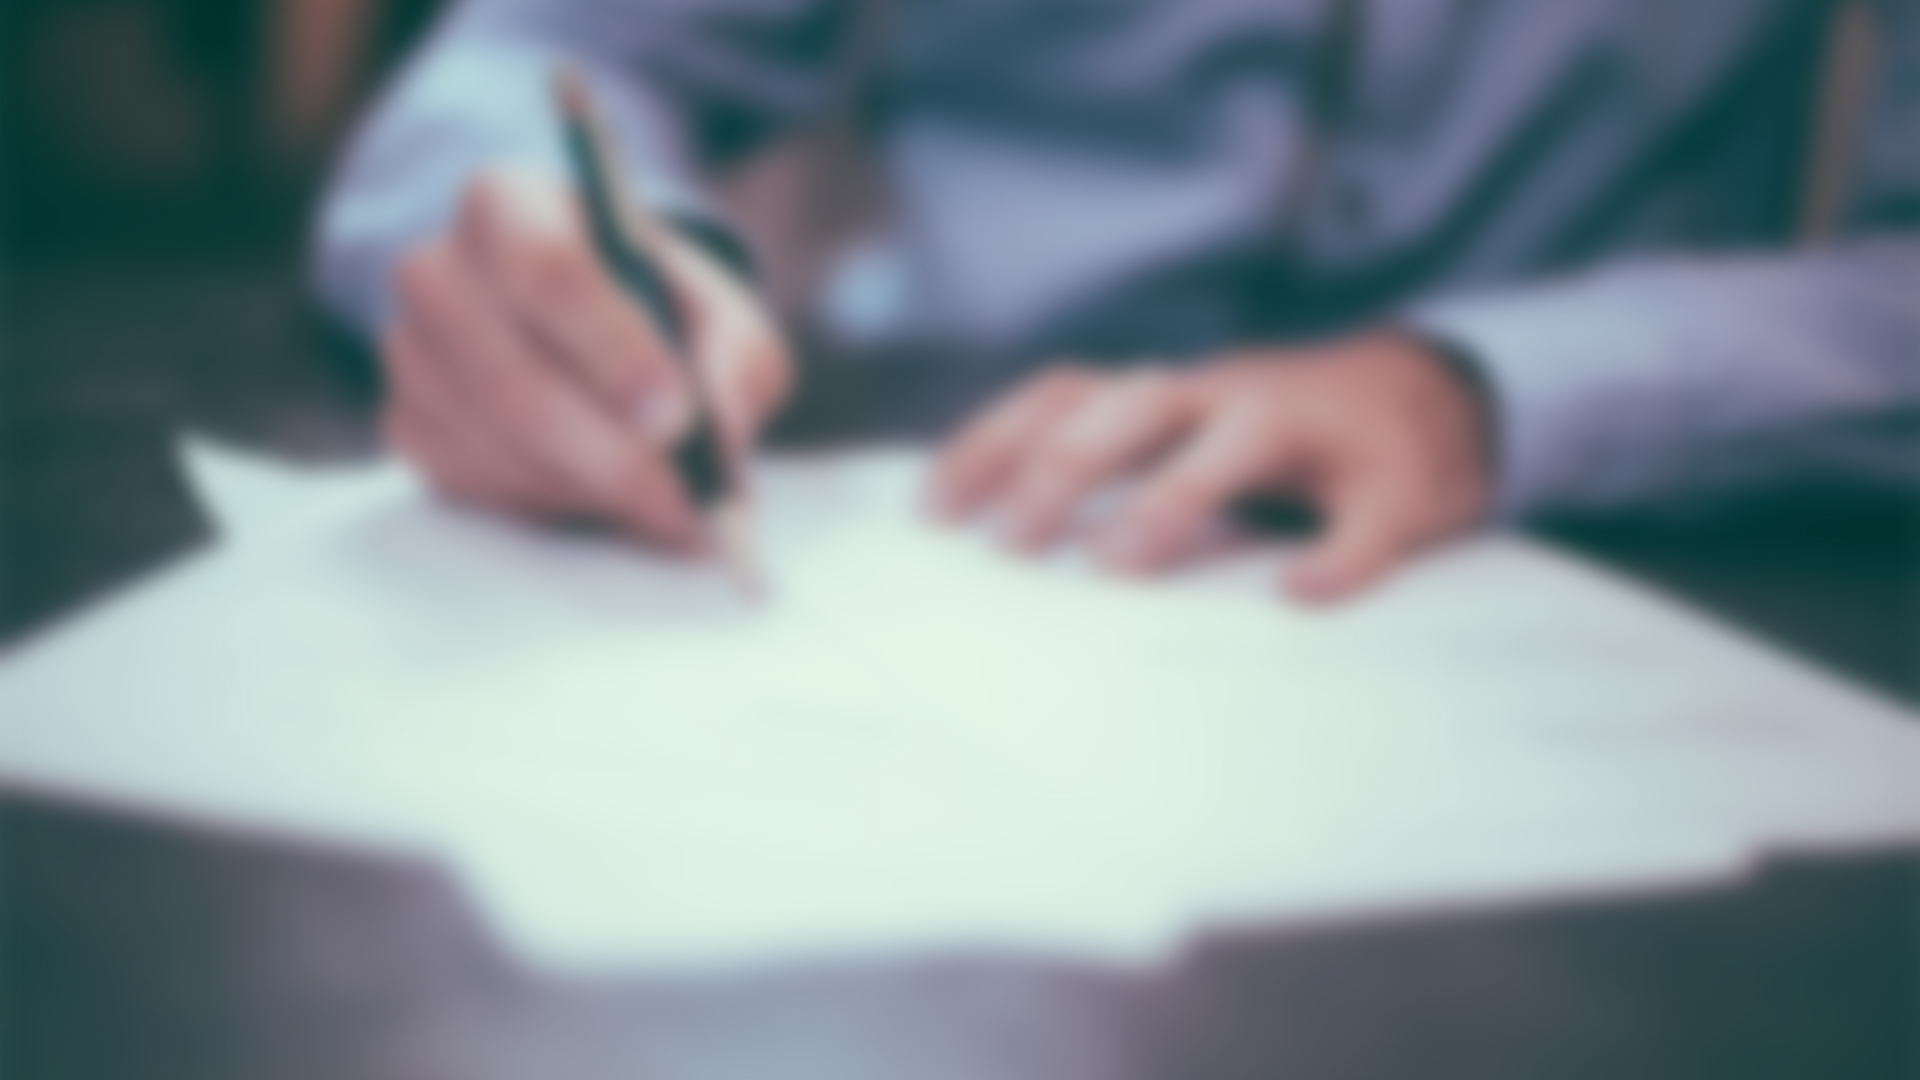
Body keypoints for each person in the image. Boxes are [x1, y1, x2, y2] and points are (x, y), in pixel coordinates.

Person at [313, 0, 1919, 604]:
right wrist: (587, 270)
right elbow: (547, 52)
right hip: (947, 494)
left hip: (1616, 548)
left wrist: (1479, 389)